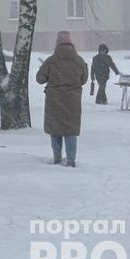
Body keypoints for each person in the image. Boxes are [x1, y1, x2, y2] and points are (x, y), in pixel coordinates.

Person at [37, 31, 88, 167]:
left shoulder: (51, 61)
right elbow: (84, 79)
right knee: (70, 131)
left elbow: (39, 79)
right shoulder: (79, 61)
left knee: (55, 130)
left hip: (54, 101)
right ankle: (71, 160)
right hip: (73, 101)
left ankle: (57, 158)